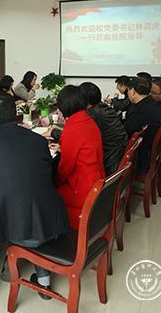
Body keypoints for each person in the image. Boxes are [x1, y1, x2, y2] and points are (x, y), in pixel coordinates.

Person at [0, 93, 68, 295]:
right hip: (50, 217)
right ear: (16, 115)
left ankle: (13, 263)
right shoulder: (37, 139)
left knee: (9, 204)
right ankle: (43, 279)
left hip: (18, 221)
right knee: (22, 201)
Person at [54, 85, 105, 230]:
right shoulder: (88, 119)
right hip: (97, 181)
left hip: (83, 188)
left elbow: (65, 168)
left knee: (48, 193)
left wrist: (55, 182)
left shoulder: (73, 127)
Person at [79, 82, 128, 175]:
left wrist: (54, 131)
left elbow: (78, 136)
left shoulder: (93, 113)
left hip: (109, 159)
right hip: (117, 152)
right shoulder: (102, 107)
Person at [124, 77, 161, 174]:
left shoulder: (139, 111)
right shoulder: (151, 102)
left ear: (132, 91)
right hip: (151, 149)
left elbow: (126, 132)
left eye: (128, 90)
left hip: (142, 157)